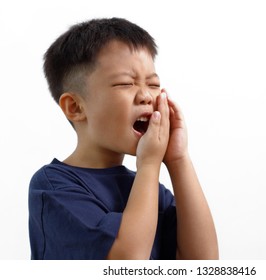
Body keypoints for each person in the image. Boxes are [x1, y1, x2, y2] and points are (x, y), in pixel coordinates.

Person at [28, 17, 218, 260]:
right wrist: (149, 164)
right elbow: (127, 264)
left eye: (153, 84)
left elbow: (205, 263)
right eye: (125, 83)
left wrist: (178, 159)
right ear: (75, 107)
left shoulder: (149, 190)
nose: (147, 96)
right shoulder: (53, 186)